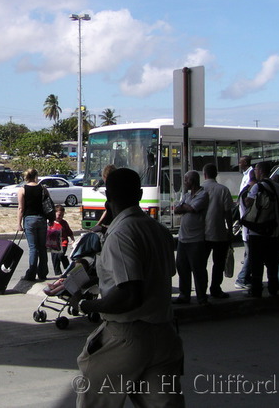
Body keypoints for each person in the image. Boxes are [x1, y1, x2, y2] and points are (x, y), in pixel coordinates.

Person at [73, 168, 184, 407]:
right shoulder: (159, 231)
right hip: (165, 335)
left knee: (95, 399)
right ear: (141, 194)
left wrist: (86, 304)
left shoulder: (121, 234)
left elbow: (129, 295)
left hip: (128, 335)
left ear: (107, 197)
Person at [245, 162, 279, 297]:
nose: (255, 172)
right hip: (273, 230)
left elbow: (248, 203)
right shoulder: (277, 187)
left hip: (258, 230)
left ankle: (256, 289)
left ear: (260, 171)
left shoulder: (257, 187)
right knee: (273, 262)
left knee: (256, 262)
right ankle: (274, 287)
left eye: (256, 169)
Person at [173, 170, 209, 305]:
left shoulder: (203, 194)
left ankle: (201, 297)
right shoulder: (187, 195)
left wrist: (184, 207)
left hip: (196, 239)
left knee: (198, 269)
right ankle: (184, 295)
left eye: (186, 180)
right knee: (182, 267)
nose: (184, 183)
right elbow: (177, 209)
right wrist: (184, 207)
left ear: (192, 181)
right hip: (183, 238)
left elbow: (192, 209)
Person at [202, 163, 234, 299]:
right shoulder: (223, 190)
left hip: (201, 233)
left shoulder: (199, 189)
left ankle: (201, 291)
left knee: (201, 264)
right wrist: (230, 230)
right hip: (219, 232)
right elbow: (228, 213)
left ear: (204, 175)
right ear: (216, 174)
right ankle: (215, 288)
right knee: (218, 263)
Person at [17, 168, 49, 281]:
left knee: (33, 247)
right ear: (36, 176)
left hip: (29, 219)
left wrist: (19, 224)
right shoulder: (43, 188)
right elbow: (48, 204)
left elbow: (21, 208)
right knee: (42, 247)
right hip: (41, 219)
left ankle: (31, 273)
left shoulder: (22, 190)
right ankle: (43, 272)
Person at [235, 169, 256, 289]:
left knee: (249, 254)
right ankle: (242, 279)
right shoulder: (249, 192)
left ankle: (245, 278)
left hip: (247, 229)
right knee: (250, 255)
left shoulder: (245, 191)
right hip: (249, 229)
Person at [49, 205, 74, 275]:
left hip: (63, 243)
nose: (60, 217)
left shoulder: (64, 223)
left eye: (62, 215)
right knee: (55, 259)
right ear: (54, 213)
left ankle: (68, 268)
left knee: (60, 255)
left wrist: (73, 240)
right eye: (59, 215)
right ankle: (58, 274)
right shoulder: (50, 223)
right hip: (53, 244)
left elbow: (69, 232)